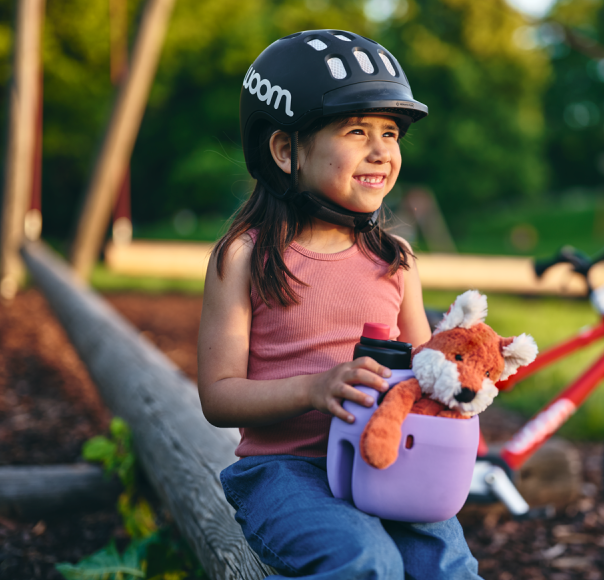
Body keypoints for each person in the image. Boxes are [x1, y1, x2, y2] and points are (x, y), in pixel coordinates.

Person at [197, 30, 482, 579]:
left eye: (391, 133)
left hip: (390, 461)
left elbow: (423, 372)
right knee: (363, 559)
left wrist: (459, 378)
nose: (381, 151)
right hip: (284, 472)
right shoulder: (245, 256)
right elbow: (218, 396)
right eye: (357, 131)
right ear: (285, 149)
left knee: (447, 567)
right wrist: (312, 388)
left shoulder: (396, 259)